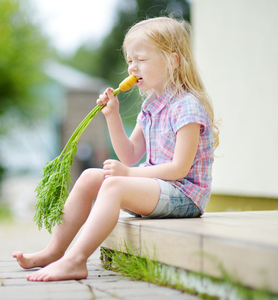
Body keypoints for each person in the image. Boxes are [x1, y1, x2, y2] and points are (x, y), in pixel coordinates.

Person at [12, 16, 219, 282]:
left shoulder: (186, 106)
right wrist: (113, 116)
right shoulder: (151, 106)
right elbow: (130, 155)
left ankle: (76, 260)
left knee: (113, 185)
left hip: (185, 195)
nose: (132, 68)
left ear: (172, 60)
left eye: (141, 59)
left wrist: (128, 174)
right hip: (157, 187)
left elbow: (179, 169)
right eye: (130, 60)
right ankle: (55, 251)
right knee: (89, 177)